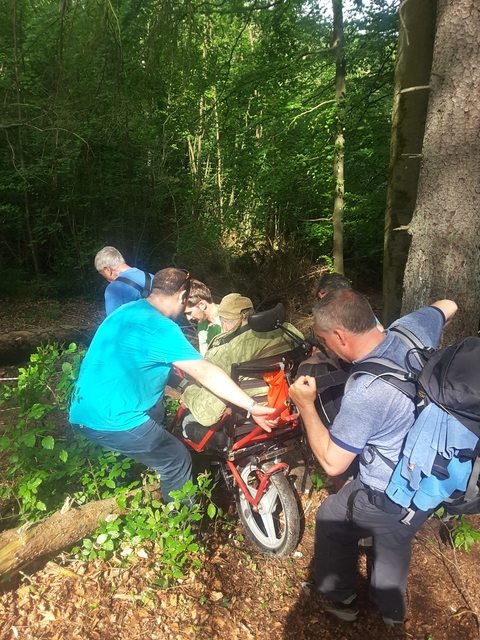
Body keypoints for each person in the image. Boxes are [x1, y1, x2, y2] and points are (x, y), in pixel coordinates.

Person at [289, 289, 457, 628]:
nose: (326, 348)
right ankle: (391, 613)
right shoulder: (410, 330)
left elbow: (333, 463)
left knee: (331, 515)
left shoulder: (366, 393)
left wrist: (305, 404)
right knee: (396, 538)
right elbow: (447, 306)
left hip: (389, 491)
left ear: (339, 335)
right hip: (436, 475)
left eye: (324, 340)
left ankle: (343, 600)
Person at [69, 269, 276, 502]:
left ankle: (132, 488)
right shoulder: (161, 327)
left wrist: (184, 383)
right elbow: (207, 372)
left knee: (158, 421)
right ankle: (181, 528)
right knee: (176, 459)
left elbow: (146, 364)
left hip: (82, 406)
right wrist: (251, 407)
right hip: (112, 418)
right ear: (181, 296)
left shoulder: (125, 311)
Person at [182, 293, 303, 428]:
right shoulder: (290, 331)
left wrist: (186, 389)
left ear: (224, 324)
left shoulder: (225, 352)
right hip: (296, 403)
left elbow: (207, 415)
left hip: (253, 419)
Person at [94, 246, 153, 315]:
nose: (106, 279)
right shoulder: (152, 277)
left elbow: (114, 322)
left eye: (102, 274)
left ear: (107, 270)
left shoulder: (113, 289)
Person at [184, 280, 222, 355]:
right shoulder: (202, 322)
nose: (188, 318)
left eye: (189, 313)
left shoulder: (228, 316)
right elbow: (204, 353)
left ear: (202, 305)